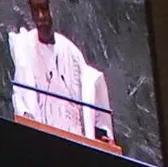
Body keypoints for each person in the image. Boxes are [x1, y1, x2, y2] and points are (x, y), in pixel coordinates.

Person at [7, 0, 113, 143]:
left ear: (53, 9)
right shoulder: (25, 49)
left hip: (76, 141)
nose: (41, 17)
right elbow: (20, 96)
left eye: (44, 10)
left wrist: (100, 132)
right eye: (35, 11)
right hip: (45, 141)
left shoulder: (70, 51)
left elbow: (91, 85)